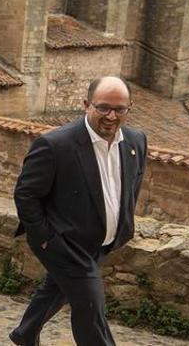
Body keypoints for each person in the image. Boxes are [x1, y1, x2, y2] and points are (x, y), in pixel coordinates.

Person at [9, 77, 147, 346]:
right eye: (103, 107)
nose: (111, 116)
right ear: (86, 105)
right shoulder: (55, 144)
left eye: (120, 109)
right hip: (63, 242)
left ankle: (25, 334)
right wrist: (46, 237)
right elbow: (26, 195)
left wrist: (122, 225)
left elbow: (131, 187)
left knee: (58, 288)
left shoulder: (136, 141)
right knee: (90, 306)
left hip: (102, 242)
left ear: (129, 107)